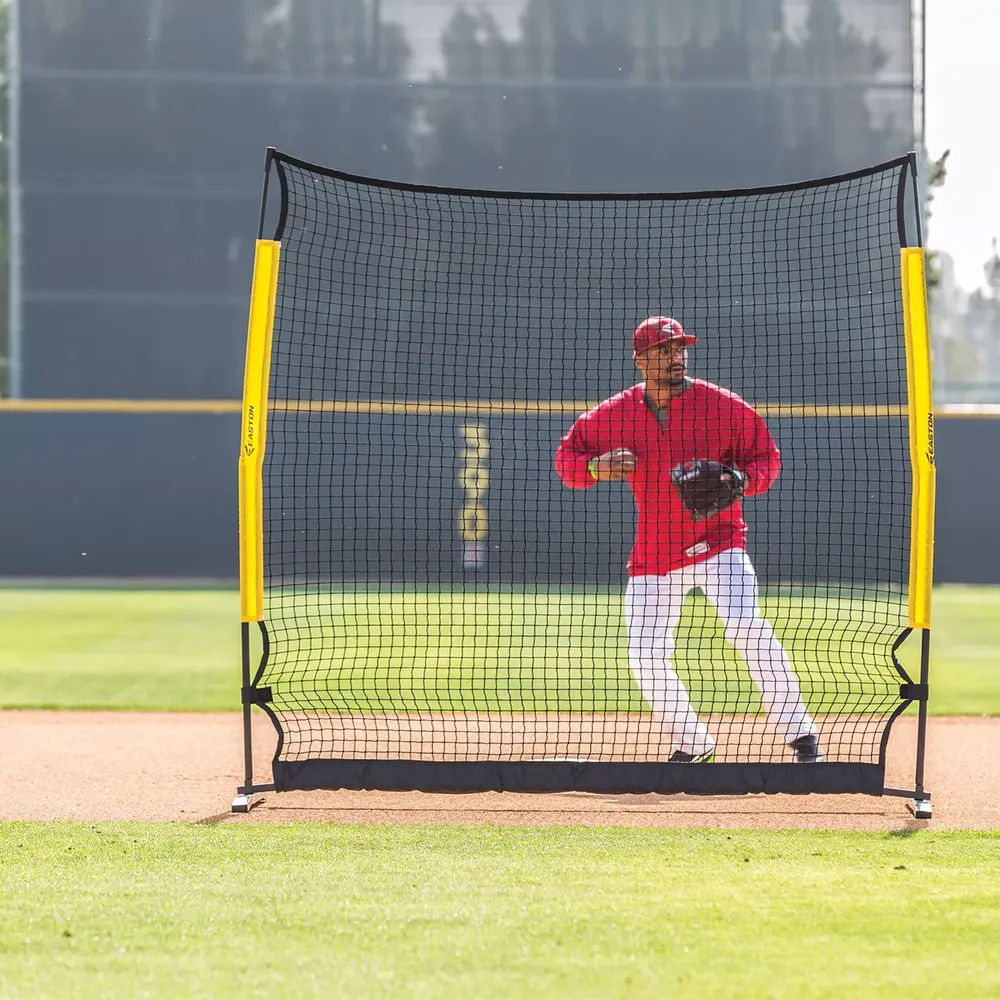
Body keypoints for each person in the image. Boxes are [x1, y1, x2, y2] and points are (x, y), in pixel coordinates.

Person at [554, 316, 823, 763]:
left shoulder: (723, 406)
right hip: (655, 552)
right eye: (664, 350)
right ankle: (694, 743)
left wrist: (740, 477)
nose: (676, 356)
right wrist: (592, 468)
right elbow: (567, 456)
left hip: (719, 542)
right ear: (641, 360)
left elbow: (767, 460)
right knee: (644, 657)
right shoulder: (616, 414)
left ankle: (801, 735)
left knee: (746, 627)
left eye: (680, 348)